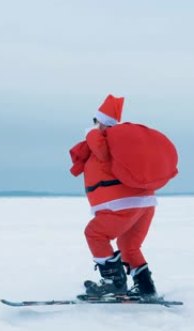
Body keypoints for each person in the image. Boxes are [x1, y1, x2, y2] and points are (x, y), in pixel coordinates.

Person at [69, 94, 159, 298]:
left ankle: (113, 283)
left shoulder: (100, 139)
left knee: (95, 234)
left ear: (100, 122)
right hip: (145, 202)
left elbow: (100, 151)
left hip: (121, 204)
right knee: (129, 246)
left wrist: (93, 134)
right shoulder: (123, 144)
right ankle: (146, 286)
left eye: (95, 121)